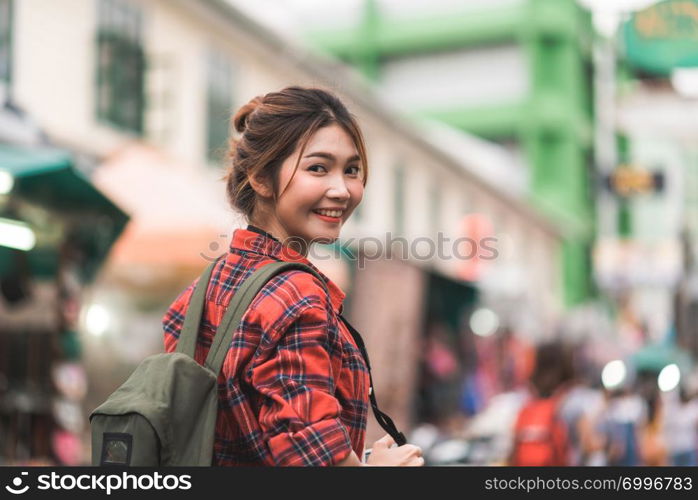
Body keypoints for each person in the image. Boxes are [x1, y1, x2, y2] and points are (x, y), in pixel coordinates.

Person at [162, 86, 423, 466]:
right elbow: (312, 458)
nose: (342, 190)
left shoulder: (203, 289)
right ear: (260, 179)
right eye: (318, 167)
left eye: (352, 170)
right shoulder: (295, 295)